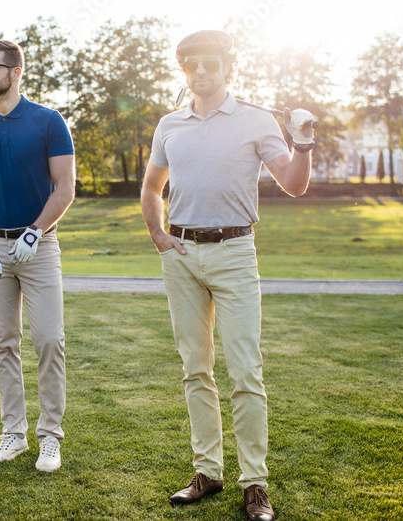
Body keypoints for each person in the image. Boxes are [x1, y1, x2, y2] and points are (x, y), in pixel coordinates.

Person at [139, 30, 315, 521]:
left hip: (235, 252)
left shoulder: (257, 121)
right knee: (195, 369)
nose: (200, 71)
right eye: (190, 63)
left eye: (209, 63)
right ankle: (207, 472)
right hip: (181, 254)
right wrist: (157, 233)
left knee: (245, 371)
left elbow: (295, 185)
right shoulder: (169, 124)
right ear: (183, 69)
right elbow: (152, 187)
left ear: (227, 67)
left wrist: (302, 143)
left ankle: (254, 484)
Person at [0, 39, 76, 473]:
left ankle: (50, 437)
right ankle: (13, 434)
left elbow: (65, 188)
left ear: (16, 72)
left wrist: (35, 231)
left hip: (39, 247)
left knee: (48, 340)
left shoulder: (48, 121)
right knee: (4, 342)